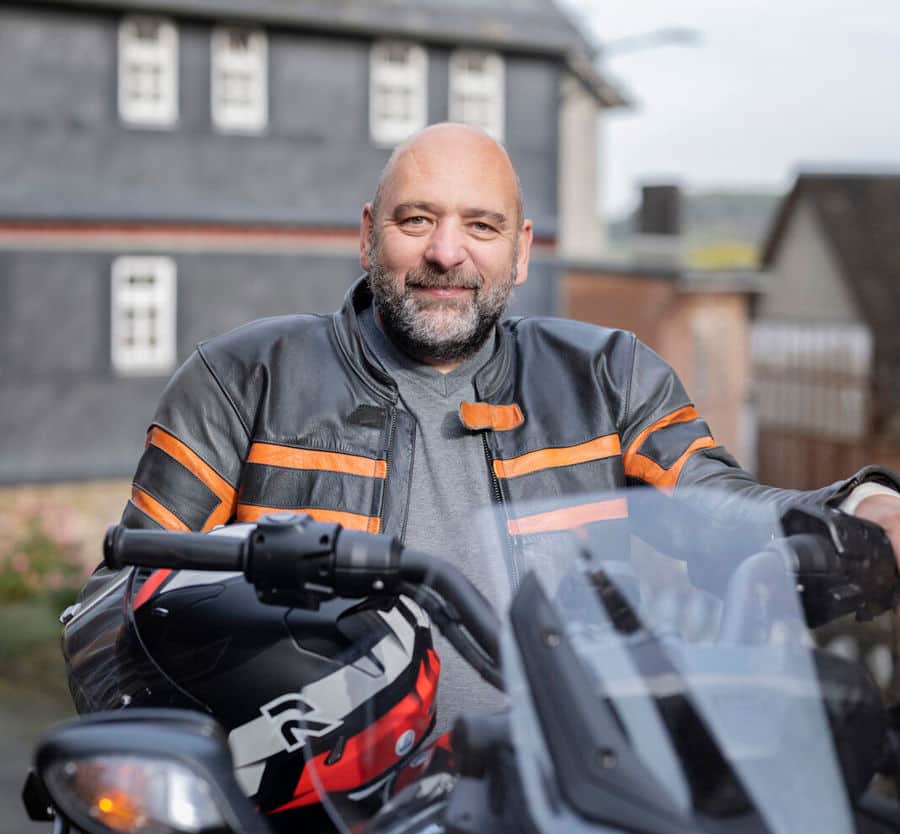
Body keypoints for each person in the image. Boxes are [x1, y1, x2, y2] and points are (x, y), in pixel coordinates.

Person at [113, 122, 900, 731]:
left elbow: (710, 502)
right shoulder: (243, 378)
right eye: (416, 219)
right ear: (366, 234)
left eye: (481, 227)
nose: (446, 252)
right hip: (314, 829)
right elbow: (124, 608)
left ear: (520, 252)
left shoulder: (607, 377)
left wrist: (855, 510)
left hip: (552, 809)